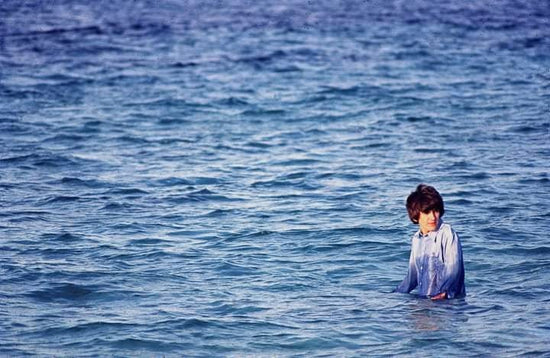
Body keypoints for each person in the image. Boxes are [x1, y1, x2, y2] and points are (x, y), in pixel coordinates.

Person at [394, 184, 465, 300]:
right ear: (416, 216)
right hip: (425, 303)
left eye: (436, 211)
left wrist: (444, 293)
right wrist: (390, 297)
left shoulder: (447, 234)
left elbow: (453, 269)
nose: (432, 217)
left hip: (448, 306)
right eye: (427, 212)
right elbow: (411, 279)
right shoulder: (417, 239)